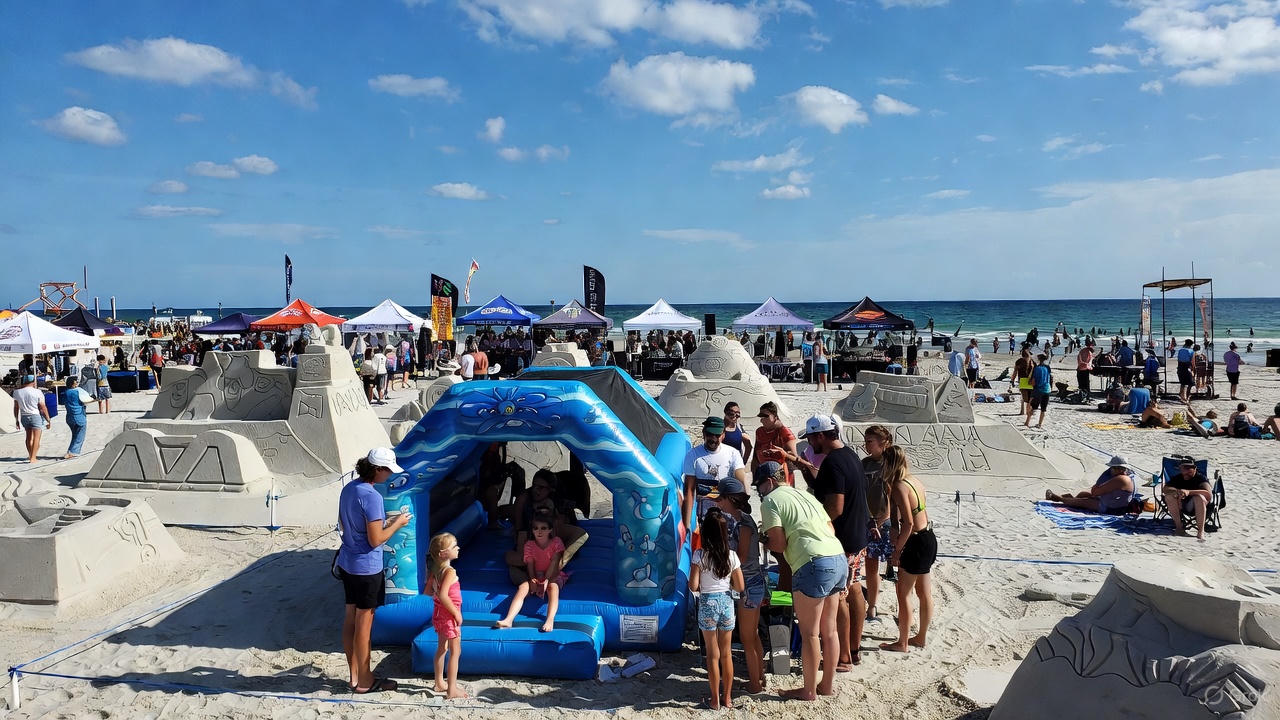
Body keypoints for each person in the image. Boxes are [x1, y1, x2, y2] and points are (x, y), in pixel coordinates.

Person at [756, 461, 847, 701]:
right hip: (836, 556)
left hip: (812, 563)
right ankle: (826, 685)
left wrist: (763, 539)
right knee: (829, 630)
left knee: (810, 634)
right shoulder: (804, 495)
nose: (760, 491)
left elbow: (779, 544)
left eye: (760, 486)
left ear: (770, 482)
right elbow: (830, 527)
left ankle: (808, 690)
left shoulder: (771, 500)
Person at [337, 448, 411, 693]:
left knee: (350, 617)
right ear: (377, 469)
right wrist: (397, 524)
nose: (390, 475)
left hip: (348, 562)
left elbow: (347, 525)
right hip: (367, 567)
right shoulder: (372, 496)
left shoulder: (349, 488)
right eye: (388, 470)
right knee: (364, 624)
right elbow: (376, 540)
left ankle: (354, 675)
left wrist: (384, 524)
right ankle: (366, 681)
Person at [804, 414, 870, 671]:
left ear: (820, 435)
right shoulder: (849, 455)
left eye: (810, 438)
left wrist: (816, 527)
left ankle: (843, 656)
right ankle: (854, 649)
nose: (809, 443)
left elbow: (835, 507)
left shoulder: (832, 463)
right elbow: (826, 485)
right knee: (854, 589)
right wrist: (801, 465)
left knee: (838, 596)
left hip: (842, 540)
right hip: (858, 534)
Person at [711, 477, 766, 694]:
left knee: (747, 639)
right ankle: (759, 676)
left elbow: (741, 558)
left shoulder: (743, 524)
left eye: (720, 499)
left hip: (749, 584)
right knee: (753, 636)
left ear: (729, 500)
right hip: (753, 581)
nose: (718, 503)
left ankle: (754, 684)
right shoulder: (742, 520)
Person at [879, 446, 936, 652]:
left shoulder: (899, 486)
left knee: (903, 593)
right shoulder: (915, 481)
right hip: (928, 536)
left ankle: (902, 642)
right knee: (924, 592)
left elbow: (909, 523)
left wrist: (897, 552)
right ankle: (920, 637)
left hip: (914, 540)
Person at [689, 508, 744, 710]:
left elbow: (693, 586)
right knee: (727, 654)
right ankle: (728, 698)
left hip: (707, 604)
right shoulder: (731, 556)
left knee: (712, 655)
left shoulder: (699, 555)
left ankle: (714, 700)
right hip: (726, 603)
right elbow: (740, 587)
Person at [494, 510, 566, 633]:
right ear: (532, 530)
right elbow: (530, 563)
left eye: (543, 528)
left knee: (552, 587)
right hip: (537, 574)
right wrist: (533, 579)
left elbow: (555, 562)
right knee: (523, 587)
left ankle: (549, 620)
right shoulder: (530, 545)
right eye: (536, 528)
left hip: (552, 574)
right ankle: (508, 619)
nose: (539, 531)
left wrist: (547, 580)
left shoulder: (556, 542)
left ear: (550, 530)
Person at [681, 416, 747, 534]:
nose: (714, 439)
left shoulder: (733, 454)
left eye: (717, 435)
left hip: (728, 514)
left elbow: (741, 481)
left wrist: (742, 511)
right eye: (710, 434)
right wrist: (686, 527)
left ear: (723, 435)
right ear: (704, 433)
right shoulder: (693, 455)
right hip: (705, 516)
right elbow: (689, 491)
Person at [860, 425, 896, 623]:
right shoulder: (864, 464)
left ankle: (903, 608)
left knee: (896, 567)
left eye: (870, 442)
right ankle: (872, 606)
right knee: (871, 566)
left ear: (883, 443)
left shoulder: (891, 465)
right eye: (865, 441)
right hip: (868, 522)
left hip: (888, 523)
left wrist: (886, 520)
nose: (866, 445)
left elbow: (894, 495)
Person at [426, 533, 466, 699]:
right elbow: (443, 595)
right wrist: (456, 612)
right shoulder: (449, 571)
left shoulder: (436, 570)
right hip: (449, 614)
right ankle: (451, 690)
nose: (458, 548)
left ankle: (439, 682)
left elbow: (428, 592)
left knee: (442, 648)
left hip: (438, 613)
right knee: (455, 652)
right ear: (443, 553)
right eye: (454, 546)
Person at [1044, 455, 1136, 513]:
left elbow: (1095, 492)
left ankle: (1058, 498)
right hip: (1117, 504)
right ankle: (1070, 501)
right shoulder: (1127, 476)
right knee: (1083, 494)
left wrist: (1099, 482)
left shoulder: (1120, 479)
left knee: (1083, 501)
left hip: (1112, 509)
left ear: (1117, 469)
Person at [752, 402, 801, 486]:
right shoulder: (760, 432)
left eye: (766, 416)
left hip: (781, 476)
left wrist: (784, 454)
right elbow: (755, 457)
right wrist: (755, 477)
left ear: (775, 417)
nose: (762, 420)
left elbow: (796, 460)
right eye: (761, 417)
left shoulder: (785, 433)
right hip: (764, 475)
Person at [1163, 458, 1212, 540]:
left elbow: (1208, 494)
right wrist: (1177, 491)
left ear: (1195, 468)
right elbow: (1165, 489)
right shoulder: (1178, 478)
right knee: (1169, 496)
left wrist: (1189, 492)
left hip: (1196, 507)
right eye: (1183, 469)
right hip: (1180, 505)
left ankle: (1200, 532)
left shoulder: (1200, 478)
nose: (1186, 472)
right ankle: (1179, 528)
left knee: (1199, 497)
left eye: (1189, 469)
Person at [13, 375, 51, 463]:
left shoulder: (17, 392)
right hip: (35, 415)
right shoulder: (37, 392)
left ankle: (31, 455)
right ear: (33, 382)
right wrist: (48, 419)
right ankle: (33, 458)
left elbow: (16, 407)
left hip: (24, 416)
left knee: (28, 437)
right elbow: (43, 407)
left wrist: (16, 420)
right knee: (36, 438)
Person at [62, 376, 95, 458]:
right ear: (72, 384)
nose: (77, 383)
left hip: (69, 416)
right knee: (80, 436)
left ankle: (70, 451)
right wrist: (93, 398)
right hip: (78, 415)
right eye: (75, 382)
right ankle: (72, 452)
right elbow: (86, 399)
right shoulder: (76, 392)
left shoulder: (66, 392)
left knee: (75, 435)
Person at [1025, 354, 1052, 429]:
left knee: (1033, 407)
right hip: (1047, 389)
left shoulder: (1037, 368)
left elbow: (1033, 381)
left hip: (1038, 390)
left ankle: (1027, 422)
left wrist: (1029, 382)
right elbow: (1049, 378)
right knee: (1043, 409)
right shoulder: (1047, 367)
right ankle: (1039, 424)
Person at [1012, 348, 1035, 416]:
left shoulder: (1019, 361)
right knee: (1030, 398)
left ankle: (1022, 411)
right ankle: (1029, 412)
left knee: (1023, 397)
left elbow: (1015, 372)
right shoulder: (1032, 361)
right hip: (1031, 381)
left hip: (1022, 381)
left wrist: (1012, 380)